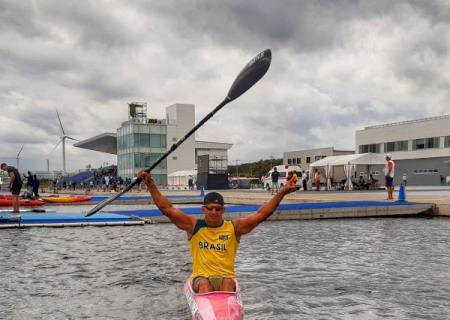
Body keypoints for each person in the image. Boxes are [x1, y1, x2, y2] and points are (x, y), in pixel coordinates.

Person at [137, 170, 298, 294]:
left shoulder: (234, 228)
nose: (214, 212)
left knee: (228, 283)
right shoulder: (194, 226)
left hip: (225, 279)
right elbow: (167, 209)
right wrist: (150, 184)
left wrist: (282, 191)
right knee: (205, 284)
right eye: (210, 209)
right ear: (203, 209)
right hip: (201, 279)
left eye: (218, 209)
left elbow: (262, 214)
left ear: (223, 210)